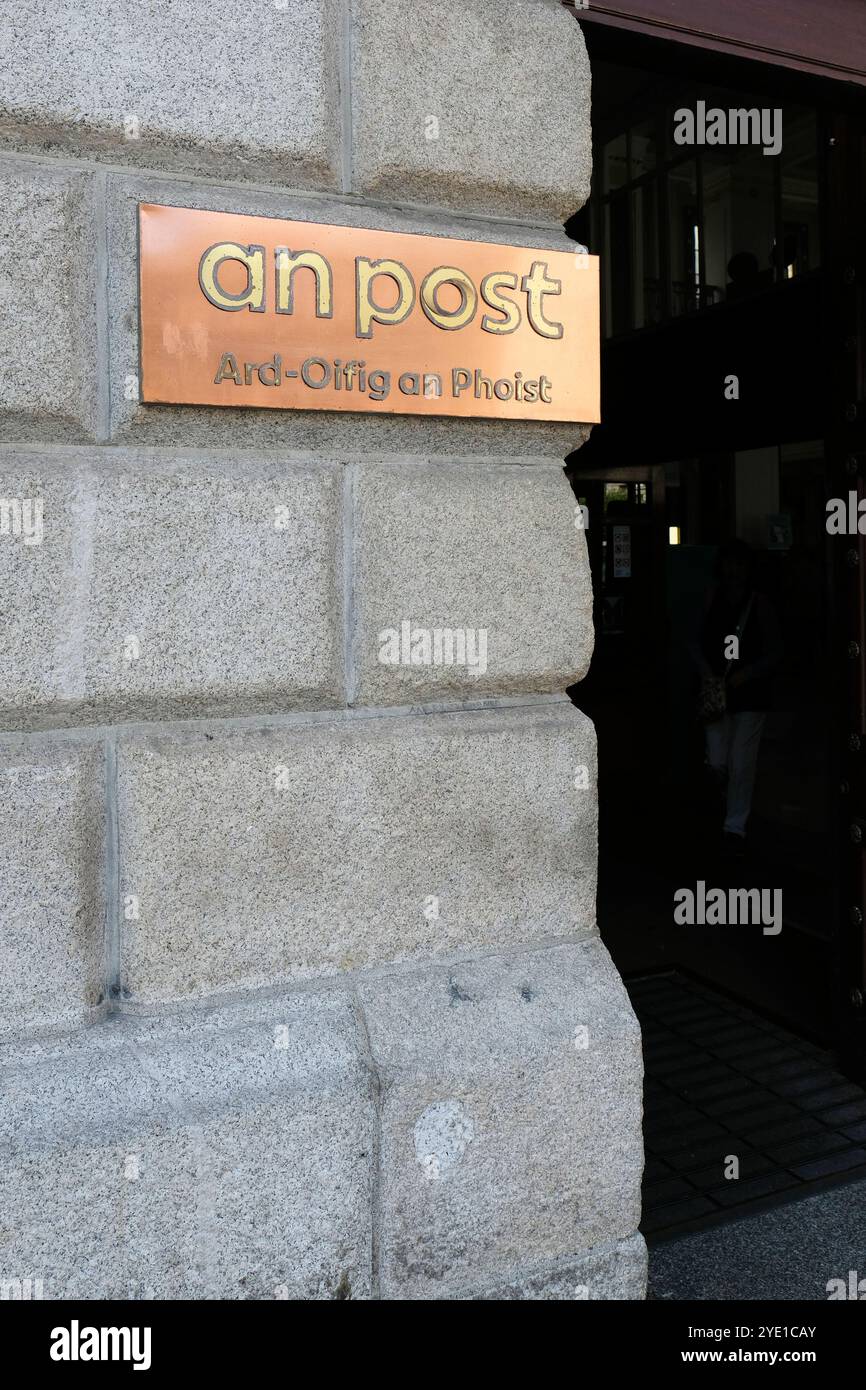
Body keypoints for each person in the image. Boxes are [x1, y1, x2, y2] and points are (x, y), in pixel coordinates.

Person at [691, 540, 783, 855]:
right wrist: (707, 673)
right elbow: (695, 641)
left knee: (740, 761)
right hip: (721, 690)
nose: (734, 570)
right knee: (720, 760)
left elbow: (774, 653)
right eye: (730, 563)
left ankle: (734, 826)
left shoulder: (758, 604)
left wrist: (745, 674)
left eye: (739, 564)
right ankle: (728, 816)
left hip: (748, 694)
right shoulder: (712, 598)